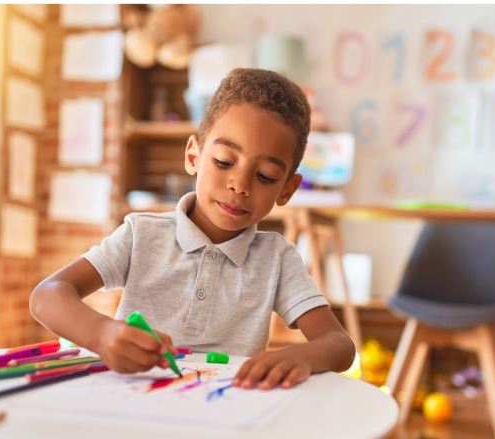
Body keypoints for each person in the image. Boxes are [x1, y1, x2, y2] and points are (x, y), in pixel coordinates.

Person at [30, 68, 355, 390]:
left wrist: (303, 356)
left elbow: (339, 345)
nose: (239, 185)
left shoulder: (277, 259)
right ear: (193, 155)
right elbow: (47, 295)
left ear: (286, 189)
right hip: (135, 404)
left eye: (266, 176)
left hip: (224, 414)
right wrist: (101, 335)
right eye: (225, 161)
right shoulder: (141, 235)